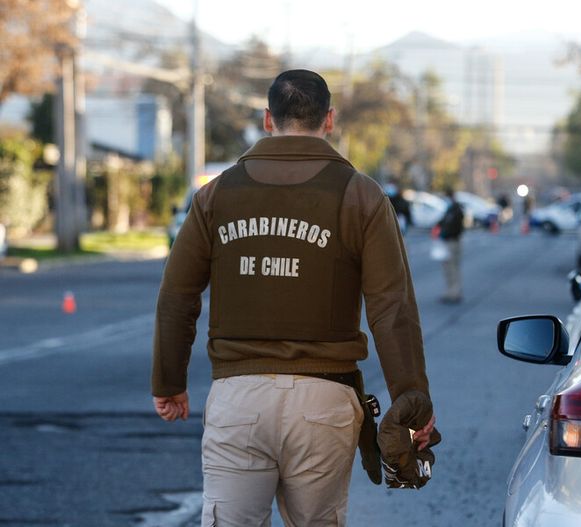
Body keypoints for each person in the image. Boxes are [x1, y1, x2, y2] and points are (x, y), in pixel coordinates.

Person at [151, 69, 436, 527]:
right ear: (329, 120)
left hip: (238, 398)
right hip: (324, 401)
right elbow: (392, 307)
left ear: (268, 119)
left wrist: (169, 382)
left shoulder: (216, 194)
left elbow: (176, 295)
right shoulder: (361, 195)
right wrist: (412, 400)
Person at [437, 187, 465, 303]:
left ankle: (454, 292)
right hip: (448, 241)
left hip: (452, 241)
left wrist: (444, 233)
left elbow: (453, 227)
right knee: (448, 268)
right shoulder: (450, 209)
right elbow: (443, 222)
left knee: (452, 267)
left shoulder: (456, 210)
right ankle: (450, 291)